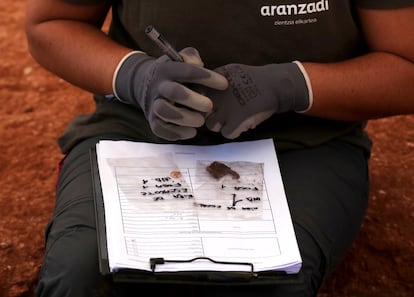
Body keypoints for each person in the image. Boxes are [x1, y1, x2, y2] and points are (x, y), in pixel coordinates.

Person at [25, 0, 414, 296]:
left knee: (271, 282)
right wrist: (137, 77)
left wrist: (290, 86)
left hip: (303, 140)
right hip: (140, 128)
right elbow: (52, 23)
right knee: (79, 276)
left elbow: (405, 63)